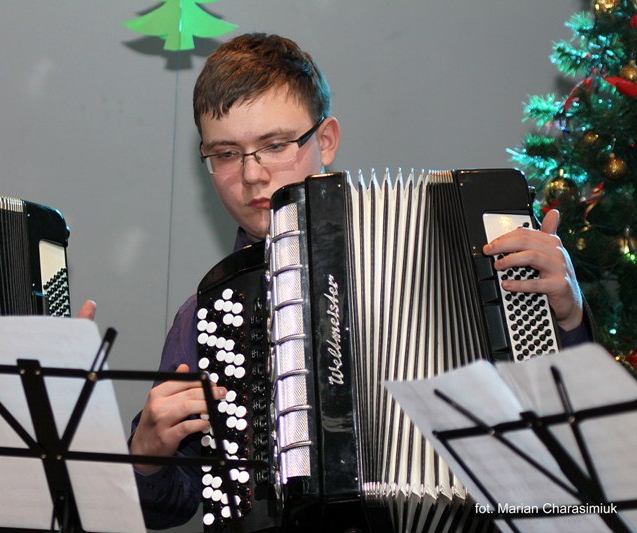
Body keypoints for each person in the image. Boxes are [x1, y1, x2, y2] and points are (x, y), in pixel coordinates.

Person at [128, 33, 590, 529]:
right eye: (225, 153)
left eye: (275, 145)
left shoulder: (458, 249)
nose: (252, 175)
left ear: (325, 140)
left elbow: (570, 442)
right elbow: (170, 504)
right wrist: (147, 455)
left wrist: (567, 319)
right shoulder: (209, 314)